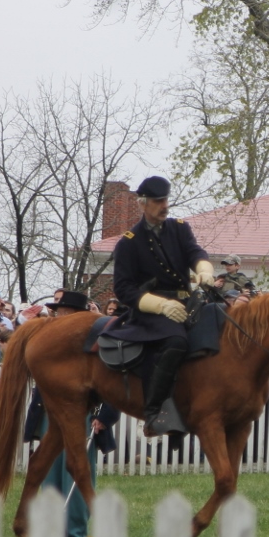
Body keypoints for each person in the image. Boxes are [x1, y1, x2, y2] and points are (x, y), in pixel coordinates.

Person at [112, 175, 213, 437]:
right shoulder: (129, 242)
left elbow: (194, 251)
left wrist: (203, 268)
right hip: (151, 311)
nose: (164, 205)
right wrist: (161, 306)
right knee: (175, 341)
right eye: (158, 201)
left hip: (187, 302)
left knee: (219, 319)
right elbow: (123, 288)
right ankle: (155, 412)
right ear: (142, 203)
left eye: (166, 199)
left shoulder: (180, 229)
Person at [32, 289, 121, 537]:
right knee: (50, 475)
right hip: (52, 413)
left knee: (77, 473)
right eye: (58, 311)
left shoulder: (97, 341)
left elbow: (114, 381)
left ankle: (74, 533)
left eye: (64, 312)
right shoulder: (52, 341)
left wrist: (105, 416)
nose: (59, 316)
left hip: (84, 414)